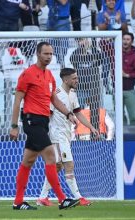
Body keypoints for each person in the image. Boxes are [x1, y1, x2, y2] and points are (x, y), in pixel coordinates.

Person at [9, 42, 80, 210]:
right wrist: (14, 125)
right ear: (38, 54)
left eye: (51, 54)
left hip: (43, 122)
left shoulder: (49, 76)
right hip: (31, 121)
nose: (49, 56)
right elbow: (17, 99)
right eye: (46, 53)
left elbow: (53, 99)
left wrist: (68, 113)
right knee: (51, 157)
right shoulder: (27, 74)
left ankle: (18, 202)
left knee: (28, 161)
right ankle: (63, 199)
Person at [35, 68, 99, 207]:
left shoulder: (73, 94)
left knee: (57, 166)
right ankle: (79, 197)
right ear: (65, 80)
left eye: (77, 77)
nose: (77, 80)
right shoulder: (57, 95)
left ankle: (42, 197)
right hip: (57, 135)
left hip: (66, 134)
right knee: (69, 164)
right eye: (74, 78)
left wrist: (91, 127)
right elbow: (48, 114)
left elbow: (78, 113)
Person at [122, 32, 135, 125]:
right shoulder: (115, 51)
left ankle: (134, 138)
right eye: (124, 39)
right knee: (120, 117)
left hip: (129, 90)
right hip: (116, 90)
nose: (125, 41)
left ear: (132, 41)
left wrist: (127, 75)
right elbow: (102, 45)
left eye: (127, 39)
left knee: (133, 116)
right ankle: (122, 137)